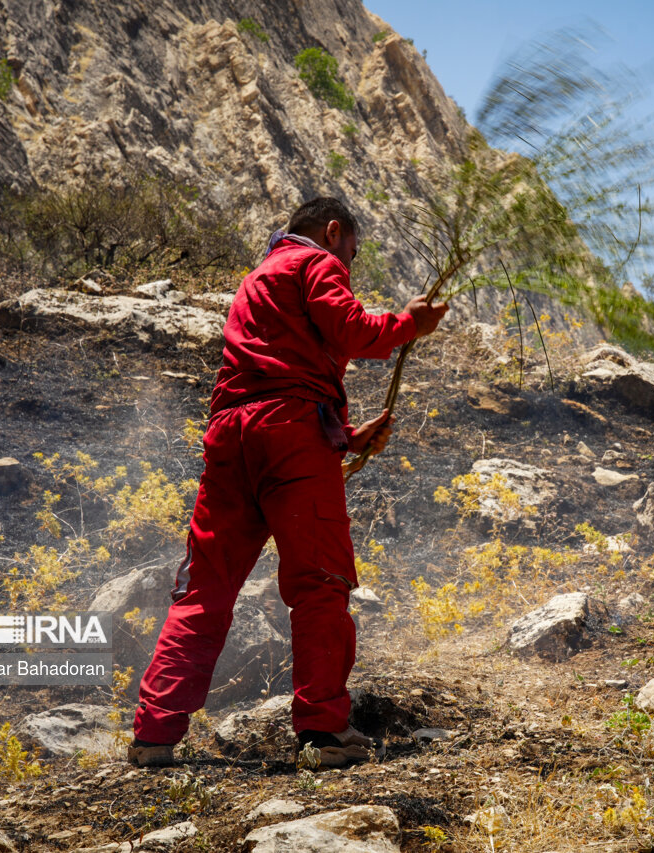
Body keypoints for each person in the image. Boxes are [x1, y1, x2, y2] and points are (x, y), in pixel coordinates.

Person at [127, 197, 448, 769]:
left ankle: (154, 735)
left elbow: (270, 376)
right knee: (320, 582)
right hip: (292, 435)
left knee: (204, 588)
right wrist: (408, 326)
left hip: (231, 439)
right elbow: (350, 332)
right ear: (332, 232)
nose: (348, 264)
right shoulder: (315, 262)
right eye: (351, 250)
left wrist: (346, 437)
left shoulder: (255, 280)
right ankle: (324, 733)